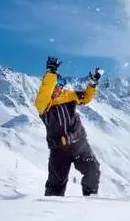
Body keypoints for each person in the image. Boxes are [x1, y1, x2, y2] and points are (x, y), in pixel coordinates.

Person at [34, 56, 103, 197]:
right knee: (56, 184)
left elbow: (86, 98)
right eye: (56, 85)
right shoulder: (44, 104)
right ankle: (50, 210)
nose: (59, 88)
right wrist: (51, 73)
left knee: (93, 169)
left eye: (61, 84)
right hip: (59, 149)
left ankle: (90, 200)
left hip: (79, 144)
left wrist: (92, 84)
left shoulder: (68, 96)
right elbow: (44, 93)